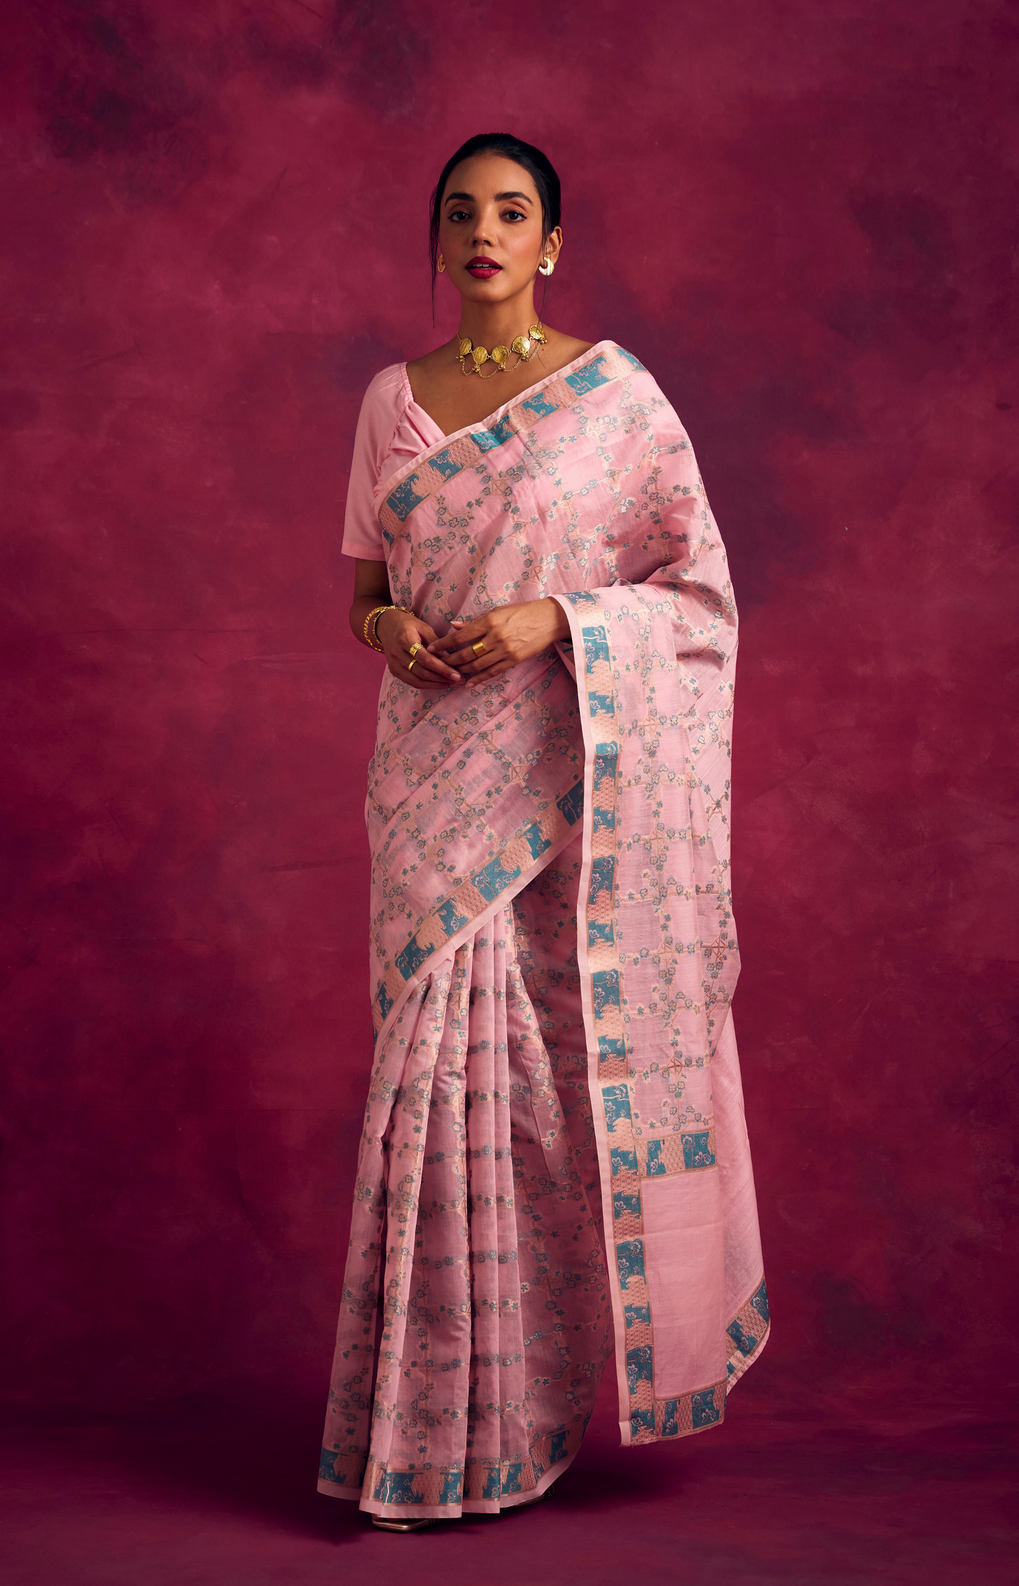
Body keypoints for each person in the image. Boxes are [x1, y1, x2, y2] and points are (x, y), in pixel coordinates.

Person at [318, 133, 767, 1533]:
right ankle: (425, 1436)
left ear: (550, 241)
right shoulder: (394, 400)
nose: (485, 231)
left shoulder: (619, 400)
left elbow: (695, 603)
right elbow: (364, 597)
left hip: (562, 780)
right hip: (431, 782)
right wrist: (392, 628)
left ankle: (526, 1420)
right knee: (435, 1088)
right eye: (461, 212)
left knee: (539, 1091)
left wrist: (555, 621)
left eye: (512, 211)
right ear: (438, 239)